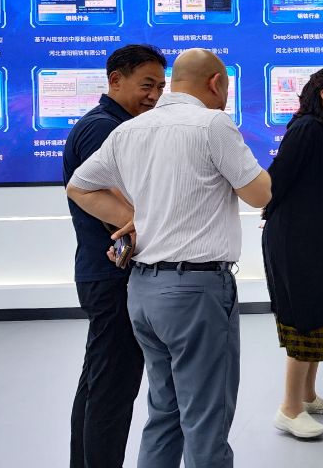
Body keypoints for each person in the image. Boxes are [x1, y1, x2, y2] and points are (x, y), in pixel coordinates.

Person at [67, 48, 272, 468]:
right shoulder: (213, 124)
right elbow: (260, 194)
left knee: (164, 413)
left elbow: (79, 186)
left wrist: (135, 221)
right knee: (206, 421)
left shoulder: (129, 131)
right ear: (216, 83)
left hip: (143, 291)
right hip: (197, 291)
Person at [64, 44, 165, 468]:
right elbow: (111, 201)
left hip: (104, 274)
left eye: (160, 87)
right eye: (146, 85)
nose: (154, 96)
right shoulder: (105, 129)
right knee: (113, 388)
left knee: (98, 382)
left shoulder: (115, 125)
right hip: (112, 276)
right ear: (115, 80)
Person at [261, 68, 323, 439]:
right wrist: (276, 220)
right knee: (305, 317)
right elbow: (276, 180)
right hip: (297, 241)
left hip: (315, 237)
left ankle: (308, 396)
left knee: (320, 310)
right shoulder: (307, 130)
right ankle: (289, 409)